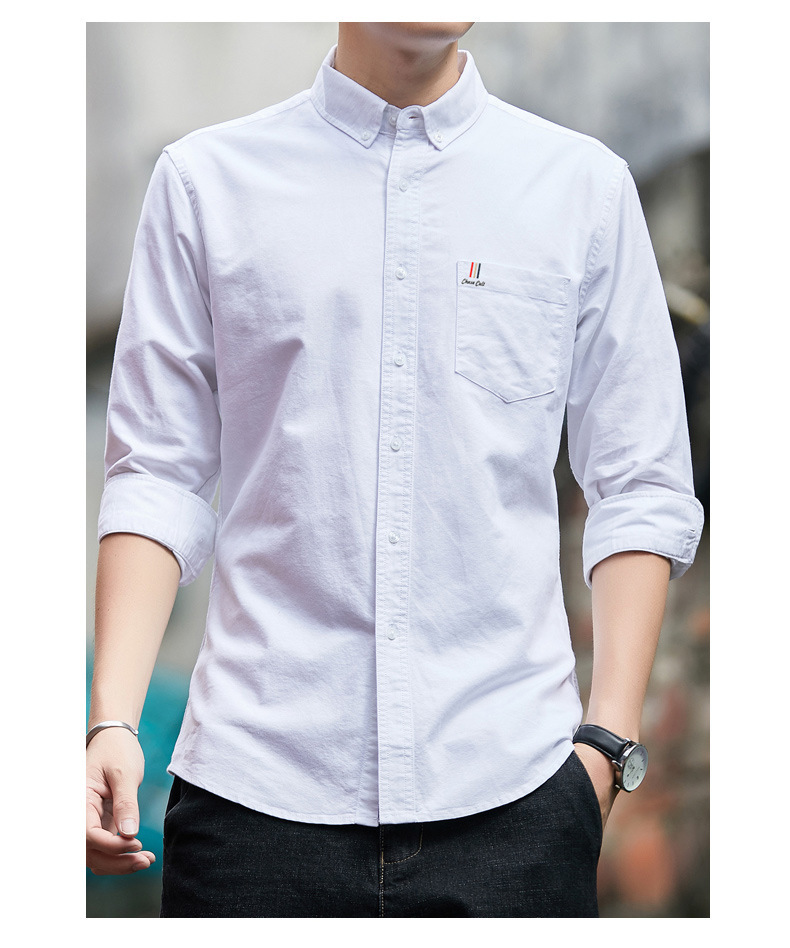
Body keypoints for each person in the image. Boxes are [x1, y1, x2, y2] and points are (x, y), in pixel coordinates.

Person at [86, 22, 704, 917]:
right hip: (254, 804)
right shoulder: (206, 183)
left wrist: (606, 745)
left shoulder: (581, 189)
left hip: (516, 802)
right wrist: (113, 718)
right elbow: (156, 472)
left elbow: (640, 480)